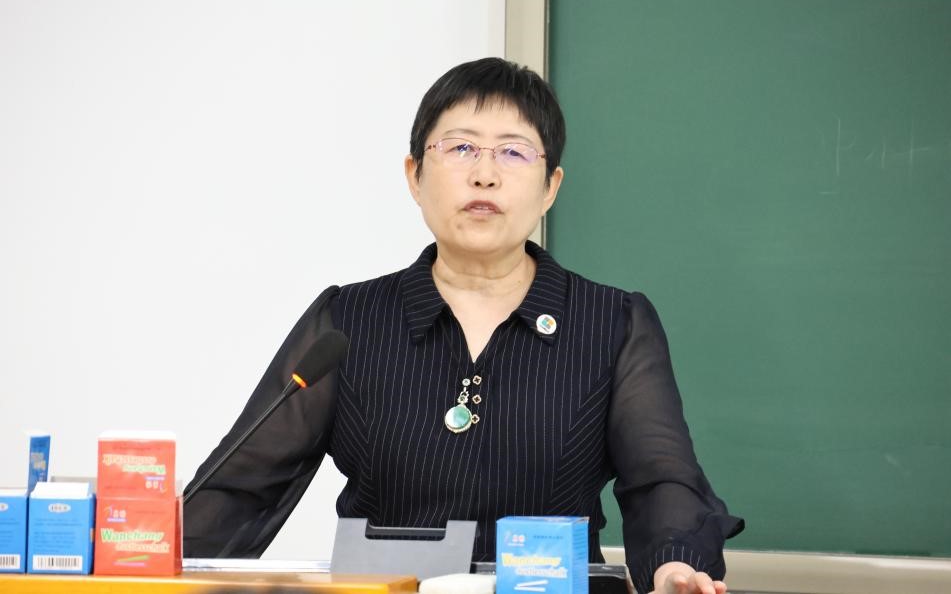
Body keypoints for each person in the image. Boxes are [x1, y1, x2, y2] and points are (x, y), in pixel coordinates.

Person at [183, 57, 744, 594]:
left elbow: (661, 482)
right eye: (460, 148)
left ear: (550, 187)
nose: (485, 175)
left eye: (514, 152)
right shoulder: (348, 321)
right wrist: (151, 558)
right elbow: (240, 488)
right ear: (415, 175)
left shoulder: (612, 324)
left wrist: (675, 565)